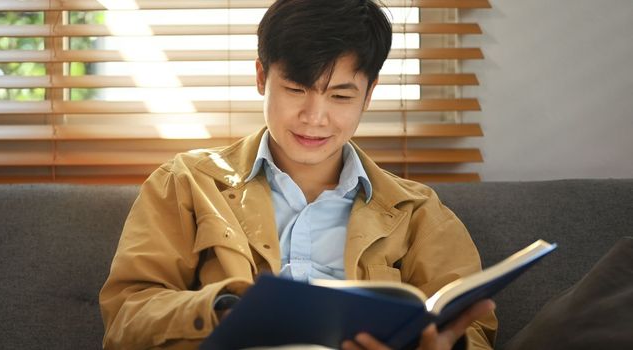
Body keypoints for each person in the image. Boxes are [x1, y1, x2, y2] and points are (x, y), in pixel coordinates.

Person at [99, 0, 498, 348]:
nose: (315, 117)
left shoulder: (418, 213)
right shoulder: (186, 183)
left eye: (341, 96)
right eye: (295, 89)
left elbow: (475, 329)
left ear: (369, 94)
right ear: (261, 77)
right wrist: (226, 309)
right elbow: (125, 316)